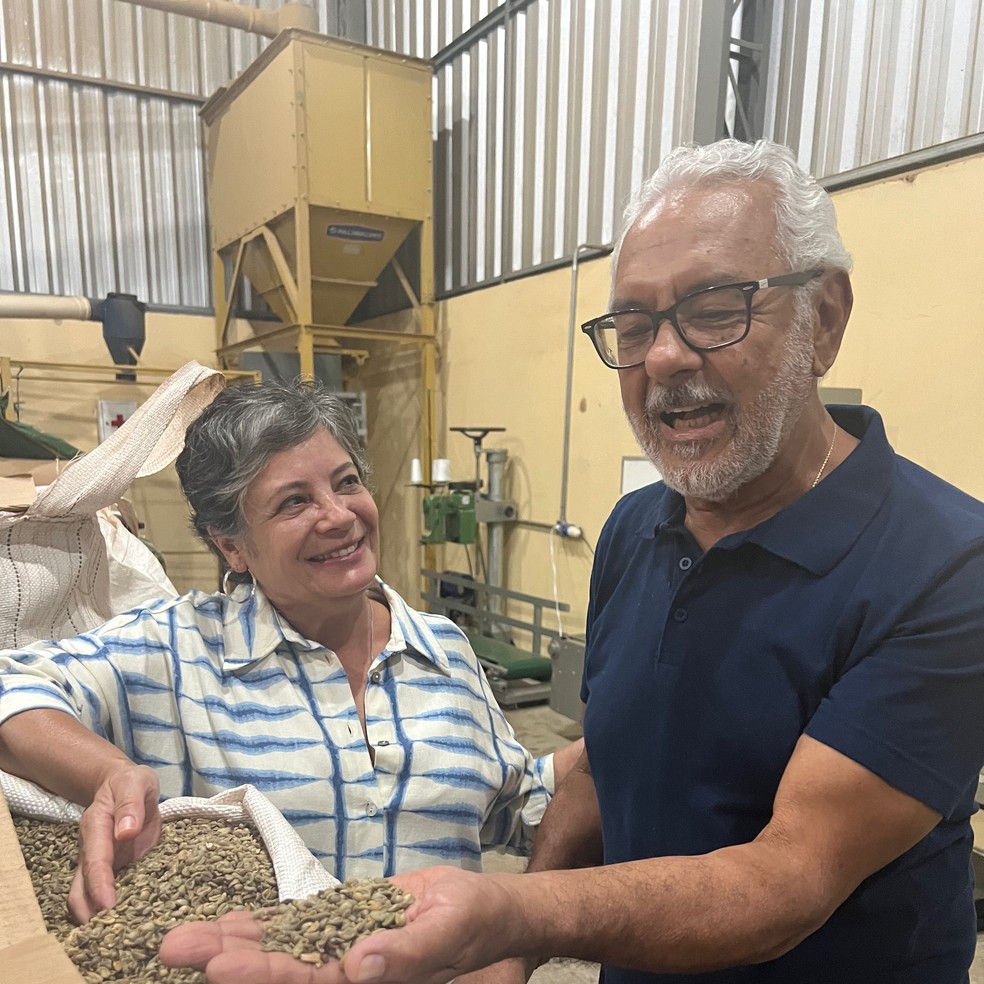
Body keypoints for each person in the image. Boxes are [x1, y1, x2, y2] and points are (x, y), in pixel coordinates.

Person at [160, 137, 984, 984]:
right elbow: (600, 763)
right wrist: (513, 958)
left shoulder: (948, 566)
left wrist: (509, 913)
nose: (663, 356)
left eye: (714, 307)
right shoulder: (636, 530)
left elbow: (786, 880)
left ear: (825, 319)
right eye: (633, 323)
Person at [0, 378, 581, 925]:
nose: (338, 516)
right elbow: (13, 689)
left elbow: (515, 808)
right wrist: (110, 773)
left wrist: (608, 749)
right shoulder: (176, 652)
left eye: (346, 482)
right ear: (234, 547)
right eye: (293, 503)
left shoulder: (443, 649)